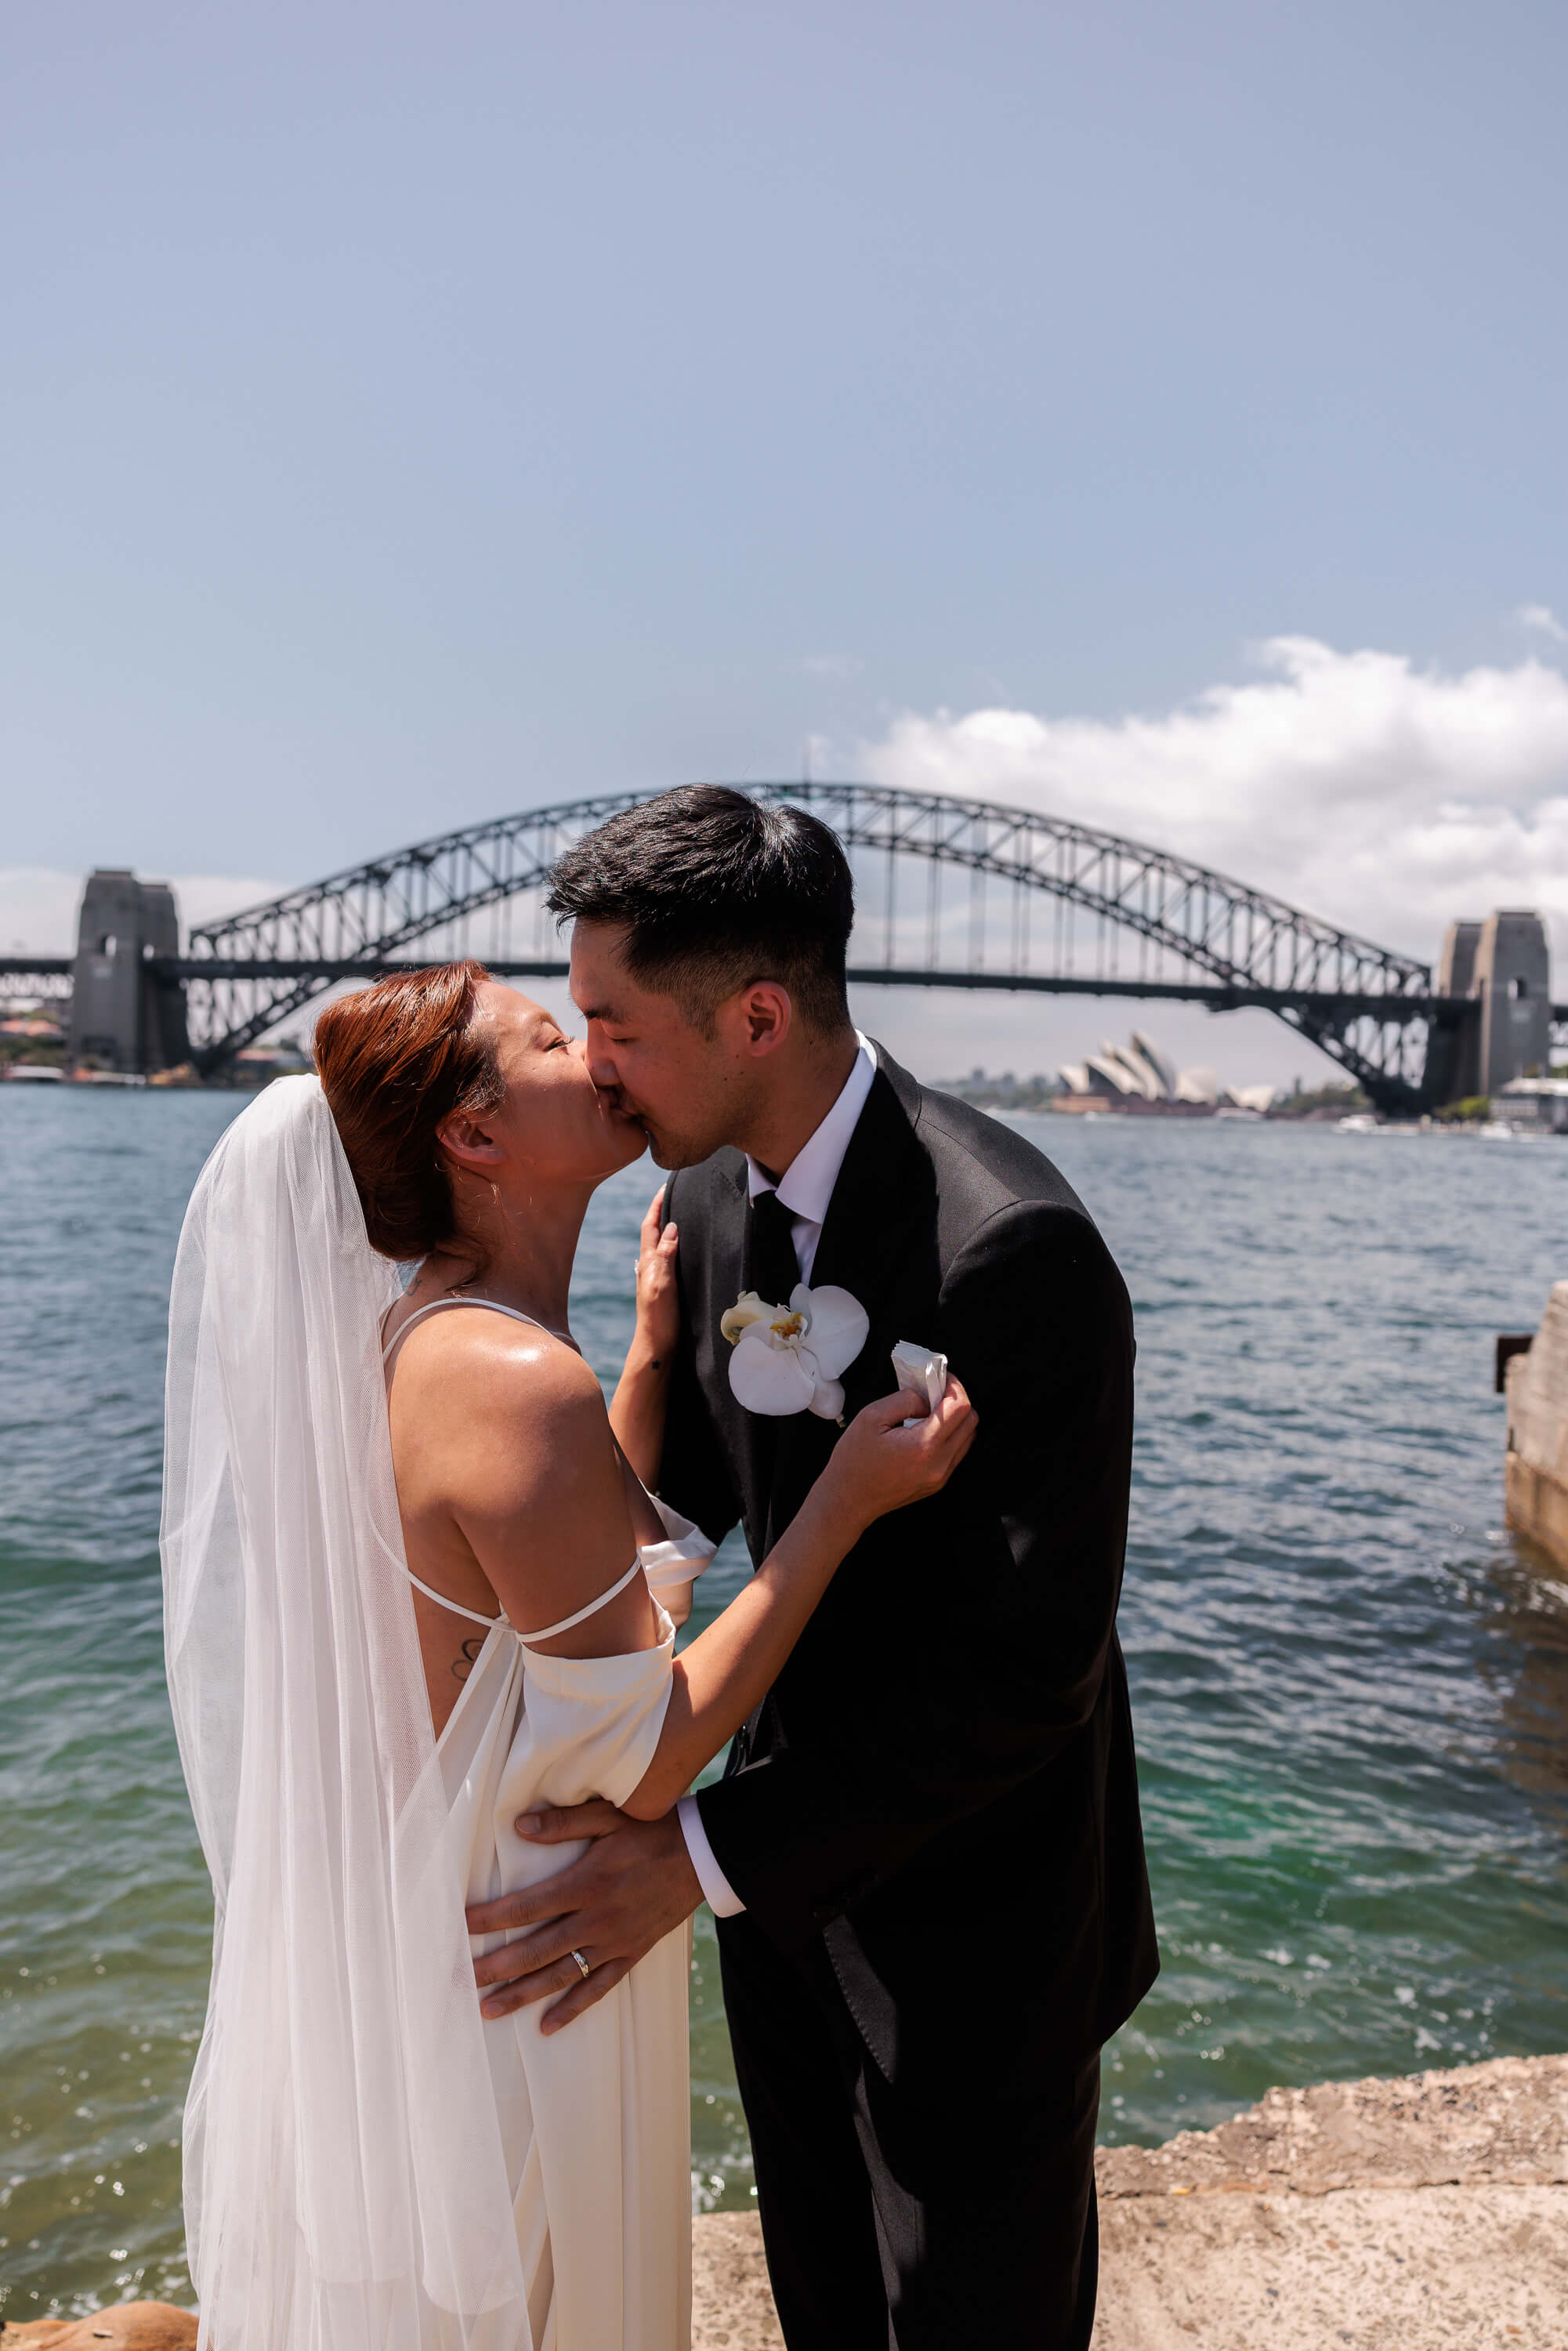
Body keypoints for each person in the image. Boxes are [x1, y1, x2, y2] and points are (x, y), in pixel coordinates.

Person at [161, 959, 974, 2351]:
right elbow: (650, 1748)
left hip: (472, 1929)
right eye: (549, 1036)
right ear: (473, 1138)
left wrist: (649, 1362)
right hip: (542, 1955)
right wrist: (837, 1507)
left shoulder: (426, 1337)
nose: (596, 1051)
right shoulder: (514, 1386)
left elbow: (546, 1610)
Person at [472, 786, 1158, 2351]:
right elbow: (680, 1526)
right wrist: (640, 1358)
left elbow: (1019, 1678)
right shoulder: (705, 1198)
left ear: (758, 1015)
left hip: (975, 1945)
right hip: (780, 1917)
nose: (591, 1066)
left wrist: (689, 1859)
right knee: (826, 2315)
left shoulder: (1012, 1252)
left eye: (614, 1026)